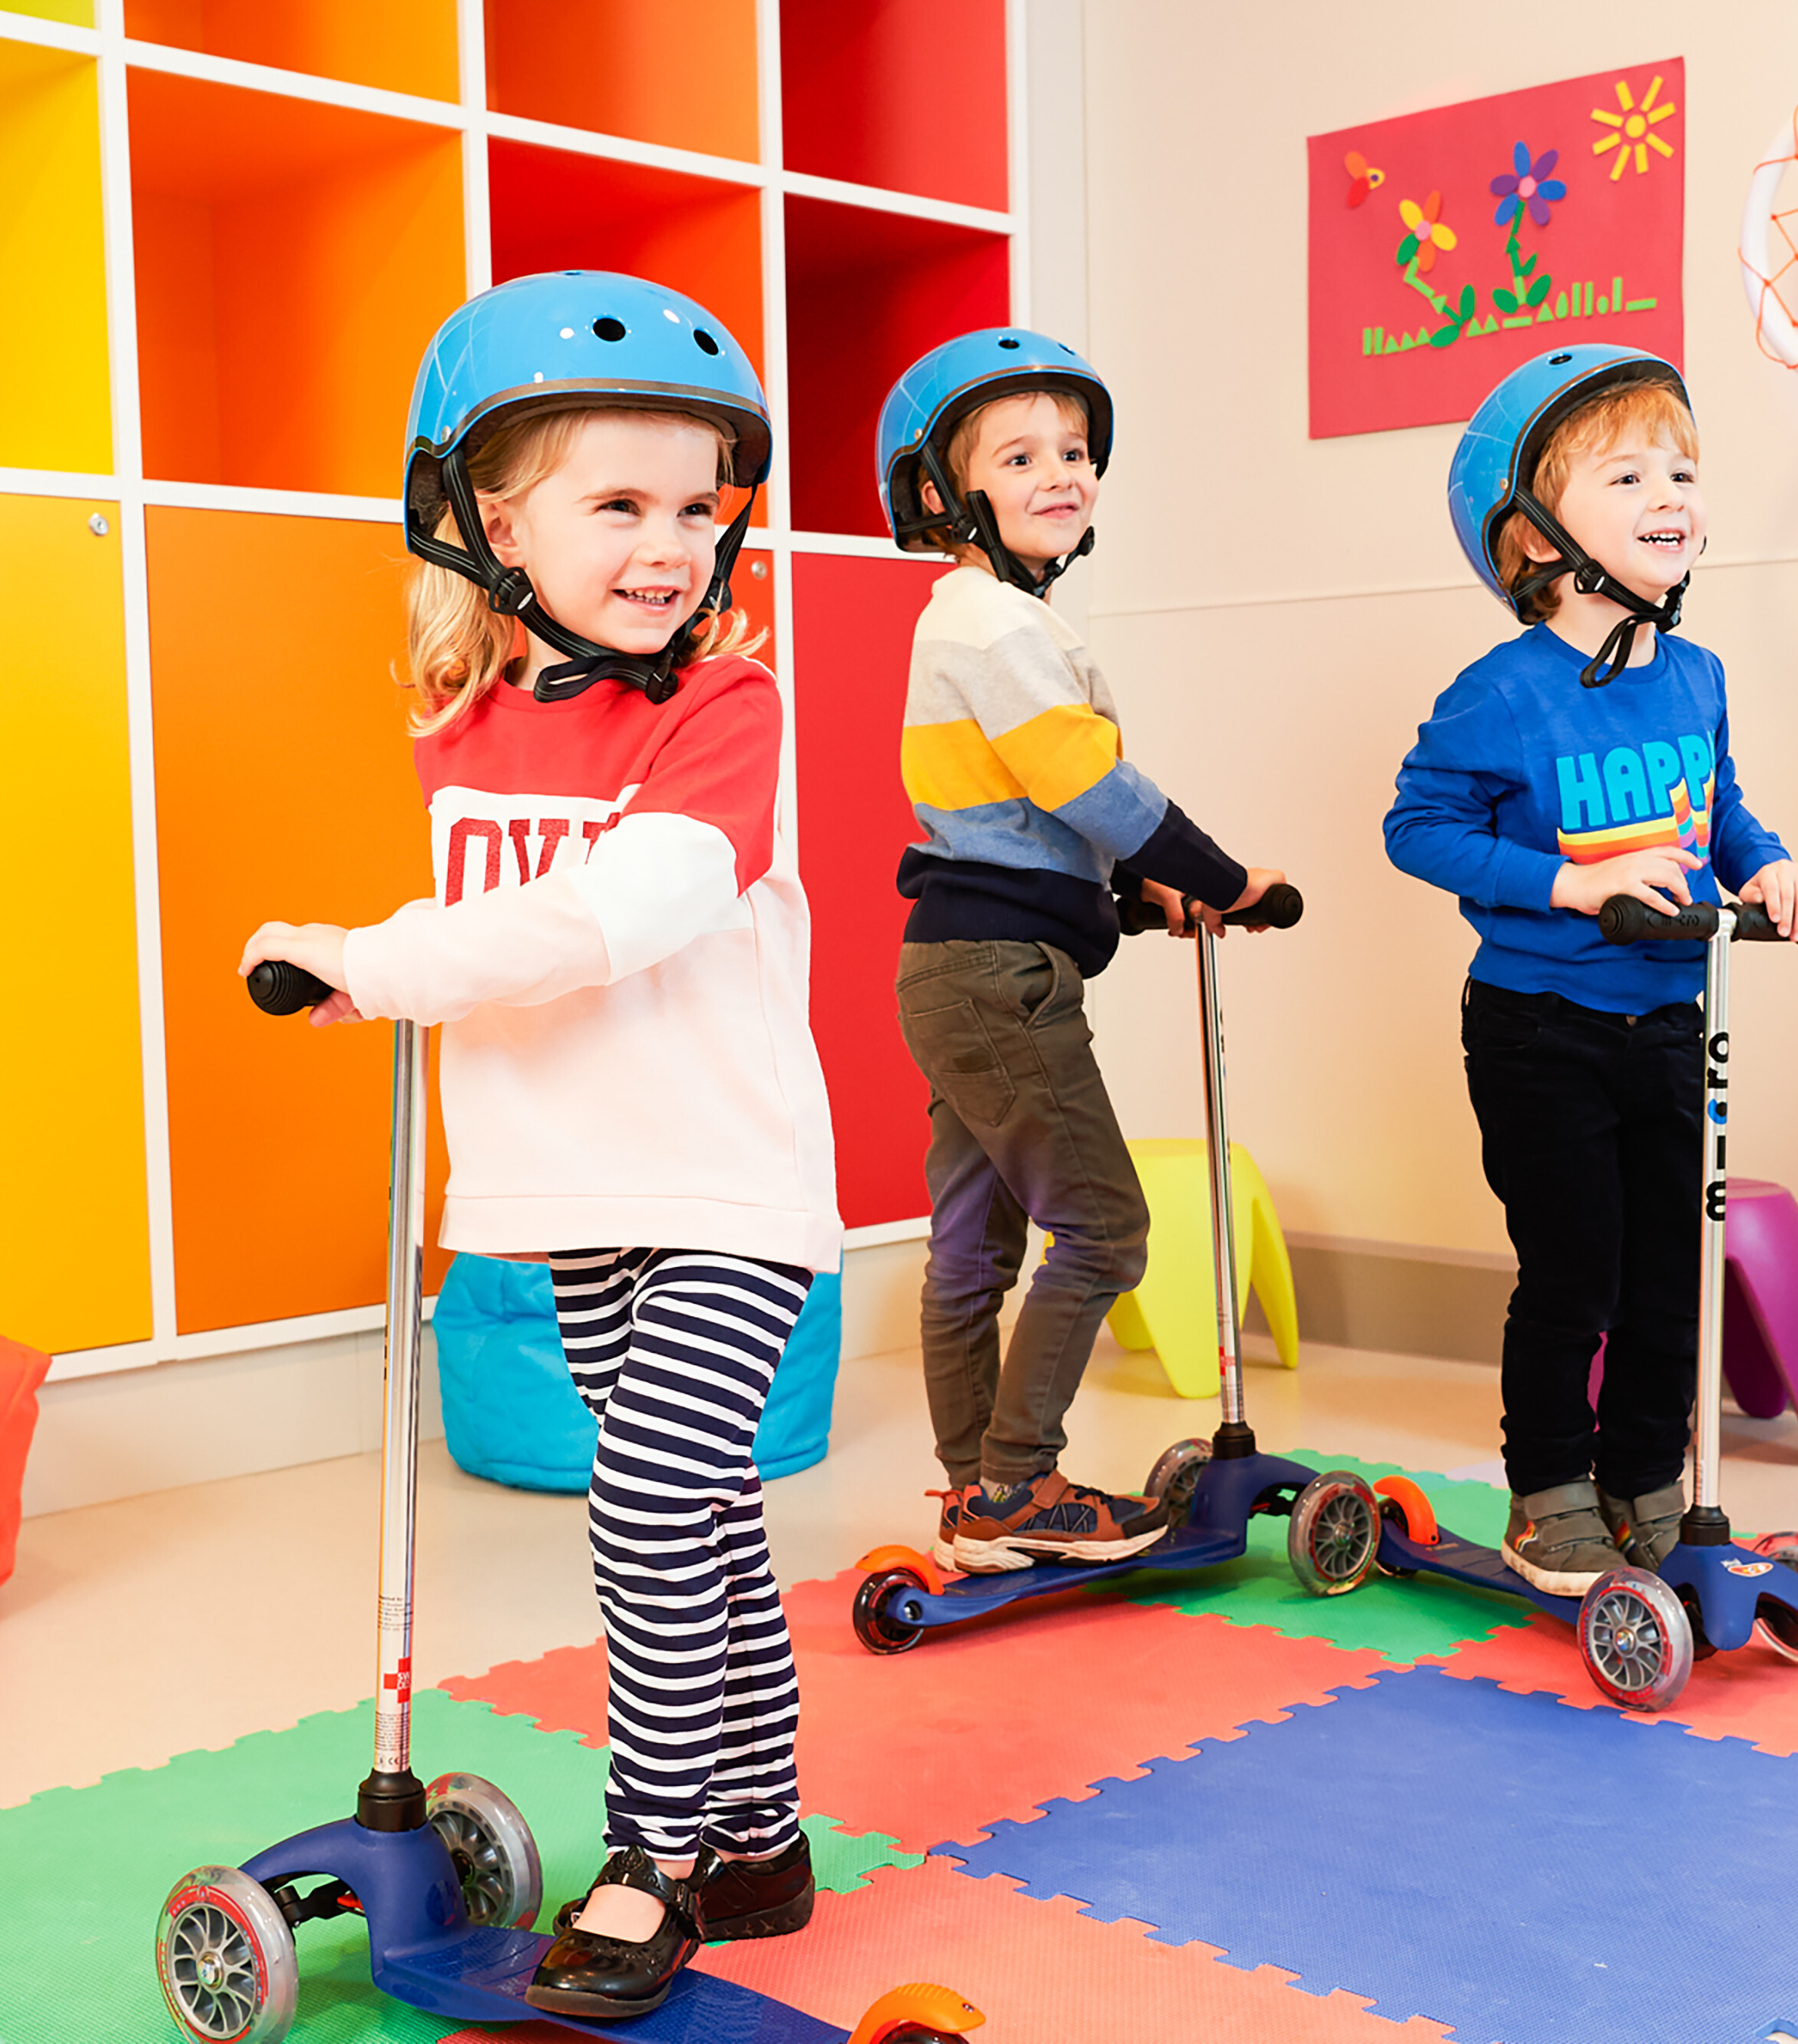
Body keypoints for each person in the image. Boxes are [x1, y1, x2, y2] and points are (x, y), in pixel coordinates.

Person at [239, 273, 836, 2019]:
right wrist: (376, 971)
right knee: (701, 1516)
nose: (669, 542)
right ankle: (762, 1831)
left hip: (722, 1178)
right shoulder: (464, 728)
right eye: (616, 502)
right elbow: (490, 925)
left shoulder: (726, 709)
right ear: (496, 521)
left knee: (648, 1498)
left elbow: (619, 912)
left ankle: (653, 1853)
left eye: (695, 504)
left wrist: (376, 957)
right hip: (565, 1185)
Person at [1383, 347, 1798, 1597]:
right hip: (1539, 1027)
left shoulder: (1698, 675)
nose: (1668, 493)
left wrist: (1769, 864)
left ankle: (1645, 1481)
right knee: (1575, 1269)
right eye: (1627, 473)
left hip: (1669, 1018)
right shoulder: (1500, 694)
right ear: (1532, 534)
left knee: (1669, 1274)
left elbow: (1719, 809)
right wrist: (1569, 884)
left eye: (1681, 468)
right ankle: (1550, 1496)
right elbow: (1418, 830)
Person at [870, 328, 1283, 1573]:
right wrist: (1223, 877)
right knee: (1104, 1223)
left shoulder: (983, 620)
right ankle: (1015, 1485)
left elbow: (1024, 826)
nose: (1063, 471)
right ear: (946, 497)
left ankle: (973, 1492)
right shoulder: (995, 626)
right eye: (1021, 454)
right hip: (1001, 980)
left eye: (1076, 449)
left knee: (971, 1248)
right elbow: (1085, 783)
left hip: (957, 961)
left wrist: (1148, 896)